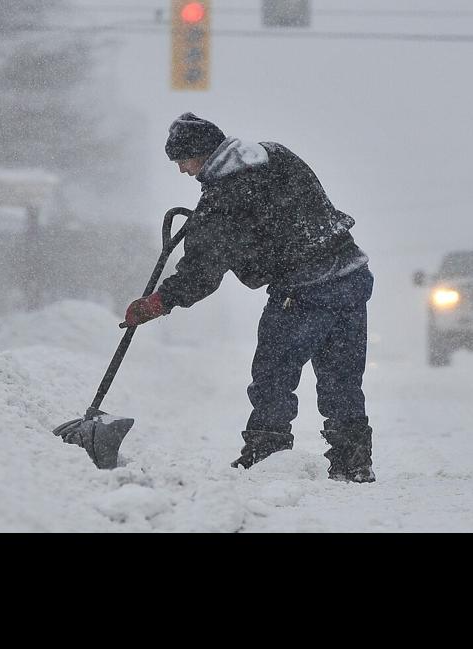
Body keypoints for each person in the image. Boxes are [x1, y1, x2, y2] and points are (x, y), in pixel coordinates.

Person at [123, 113, 376, 482]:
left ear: (203, 154)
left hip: (302, 290)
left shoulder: (222, 199)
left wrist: (159, 302)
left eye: (183, 160)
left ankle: (266, 452)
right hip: (351, 276)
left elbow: (201, 272)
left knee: (274, 374)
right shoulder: (277, 155)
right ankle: (354, 461)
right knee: (342, 377)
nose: (182, 170)